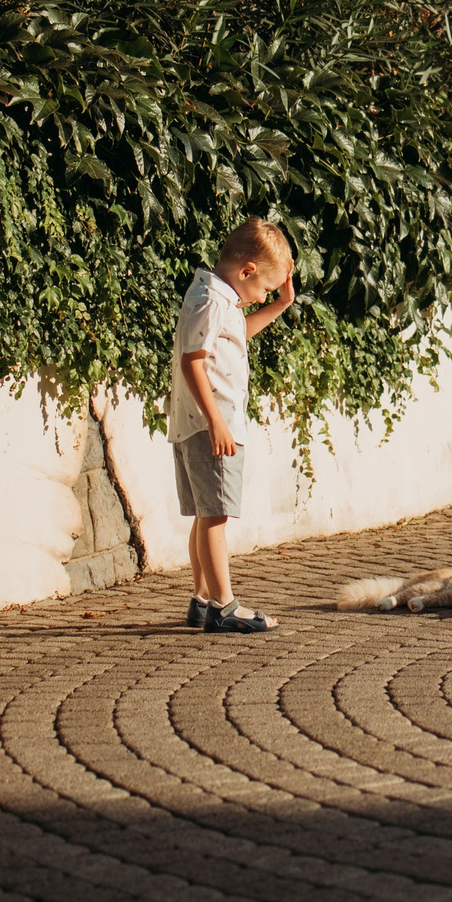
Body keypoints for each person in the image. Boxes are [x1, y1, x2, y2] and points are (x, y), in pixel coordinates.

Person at [172, 218, 296, 631]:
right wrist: (216, 423)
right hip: (212, 428)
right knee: (217, 517)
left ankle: (203, 600)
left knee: (207, 515)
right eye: (263, 288)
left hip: (204, 426)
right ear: (246, 271)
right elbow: (193, 361)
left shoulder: (216, 299)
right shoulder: (210, 300)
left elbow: (237, 334)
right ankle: (223, 607)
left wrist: (277, 305)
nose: (261, 296)